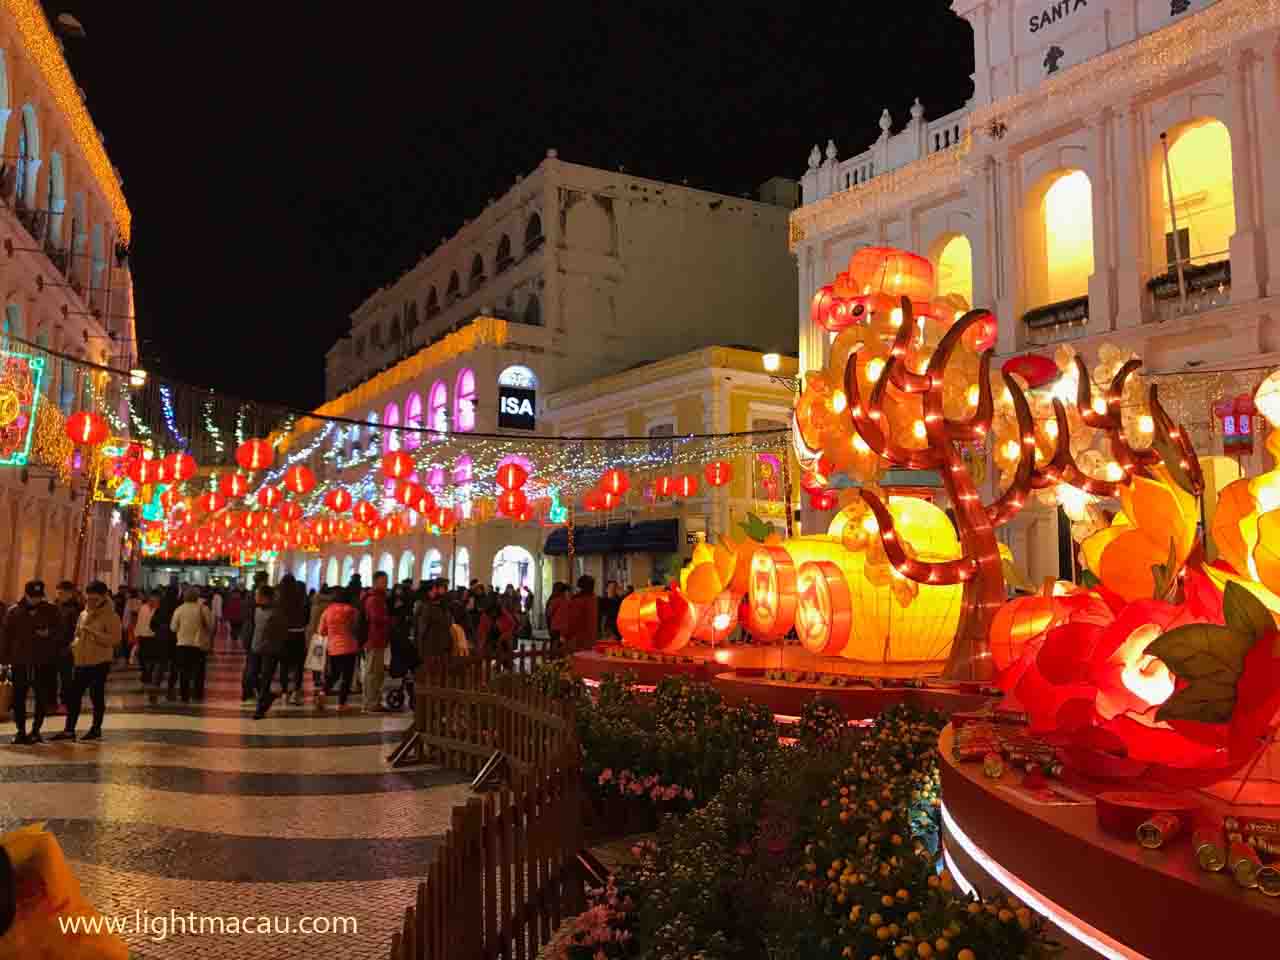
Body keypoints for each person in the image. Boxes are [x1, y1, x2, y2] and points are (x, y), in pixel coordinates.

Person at [51, 581, 120, 742]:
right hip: (81, 660)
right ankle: (69, 730)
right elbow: (77, 634)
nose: (91, 602)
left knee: (96, 695)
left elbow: (115, 640)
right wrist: (74, 645)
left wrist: (94, 633)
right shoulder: (83, 613)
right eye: (89, 599)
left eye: (95, 599)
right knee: (73, 695)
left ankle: (96, 729)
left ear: (104, 597)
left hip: (99, 661)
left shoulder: (111, 616)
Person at [0, 580, 63, 744]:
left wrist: (49, 633)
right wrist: (4, 660)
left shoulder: (51, 610)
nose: (36, 600)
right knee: (18, 697)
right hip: (19, 661)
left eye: (39, 596)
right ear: (26, 594)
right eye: (33, 597)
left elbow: (60, 632)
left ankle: (36, 730)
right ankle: (20, 730)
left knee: (41, 697)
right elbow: (6, 637)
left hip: (43, 661)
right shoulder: (14, 611)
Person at [318, 587, 361, 711]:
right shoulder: (352, 610)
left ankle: (323, 692)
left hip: (333, 648)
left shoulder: (327, 611)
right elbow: (357, 628)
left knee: (334, 674)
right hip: (349, 647)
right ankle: (342, 704)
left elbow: (321, 631)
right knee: (346, 677)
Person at [251, 585, 289, 720]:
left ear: (265, 597)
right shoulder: (257, 610)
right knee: (251, 677)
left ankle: (260, 709)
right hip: (256, 648)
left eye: (257, 595)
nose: (255, 597)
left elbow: (282, 632)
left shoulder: (277, 613)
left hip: (271, 650)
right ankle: (268, 697)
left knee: (265, 680)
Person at [169, 587, 213, 703]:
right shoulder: (203, 609)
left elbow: (173, 628)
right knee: (199, 671)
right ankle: (198, 694)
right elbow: (210, 626)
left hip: (182, 644)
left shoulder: (179, 609)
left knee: (184, 671)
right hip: (198, 645)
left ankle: (184, 695)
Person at [361, 571, 391, 713]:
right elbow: (375, 618)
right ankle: (370, 702)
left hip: (378, 639)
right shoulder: (374, 599)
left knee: (376, 672)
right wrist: (389, 620)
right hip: (373, 639)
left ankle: (374, 701)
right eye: (384, 581)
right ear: (376, 581)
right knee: (372, 672)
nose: (386, 584)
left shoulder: (380, 598)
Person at [52, 581, 82, 714]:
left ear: (70, 593)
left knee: (66, 678)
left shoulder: (76, 609)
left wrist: (72, 645)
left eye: (62, 593)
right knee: (50, 677)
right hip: (52, 647)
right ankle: (51, 703)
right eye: (58, 593)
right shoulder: (53, 606)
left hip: (67, 648)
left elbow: (78, 630)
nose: (59, 595)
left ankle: (65, 703)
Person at [279, 575, 309, 706]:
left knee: (284, 666)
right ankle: (296, 693)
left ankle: (285, 693)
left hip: (284, 635)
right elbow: (306, 617)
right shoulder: (301, 598)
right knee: (298, 666)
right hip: (298, 634)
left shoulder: (279, 599)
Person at [305, 584, 334, 709]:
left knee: (317, 659)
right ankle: (326, 678)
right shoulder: (330, 606)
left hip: (315, 634)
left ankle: (316, 678)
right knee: (327, 659)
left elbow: (310, 621)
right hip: (328, 634)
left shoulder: (314, 604)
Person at [414, 578, 453, 664]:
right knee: (431, 672)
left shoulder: (443, 605)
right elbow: (422, 630)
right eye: (435, 589)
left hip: (441, 646)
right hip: (431, 646)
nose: (444, 590)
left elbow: (448, 623)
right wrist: (420, 648)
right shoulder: (426, 606)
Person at [153, 585, 180, 701]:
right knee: (174, 666)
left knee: (161, 664)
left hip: (162, 639)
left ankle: (156, 687)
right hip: (175, 639)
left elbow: (152, 623)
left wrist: (159, 631)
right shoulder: (179, 605)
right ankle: (170, 689)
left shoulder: (161, 605)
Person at [134, 590, 163, 699]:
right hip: (142, 635)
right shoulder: (143, 608)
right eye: (151, 599)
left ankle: (148, 674)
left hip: (153, 636)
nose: (152, 601)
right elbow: (139, 621)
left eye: (155, 599)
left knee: (151, 658)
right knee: (141, 656)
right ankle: (145, 672)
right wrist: (136, 633)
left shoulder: (159, 610)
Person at [563, 575, 599, 654]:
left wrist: (565, 634)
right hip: (591, 640)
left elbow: (572, 621)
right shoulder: (593, 599)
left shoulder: (578, 601)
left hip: (577, 641)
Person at [545, 582, 569, 656]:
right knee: (561, 645)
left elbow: (549, 613)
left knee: (554, 644)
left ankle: (553, 659)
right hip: (564, 627)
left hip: (555, 626)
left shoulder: (555, 600)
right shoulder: (567, 600)